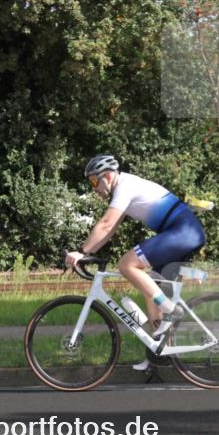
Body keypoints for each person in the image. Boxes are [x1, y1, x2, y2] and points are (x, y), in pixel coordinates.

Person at [65, 154, 206, 369]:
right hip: (183, 232)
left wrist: (82, 252)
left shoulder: (125, 186)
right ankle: (158, 351)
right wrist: (88, 253)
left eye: (94, 181)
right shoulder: (124, 189)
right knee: (151, 287)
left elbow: (105, 224)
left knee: (127, 265)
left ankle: (170, 307)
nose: (94, 187)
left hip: (182, 232)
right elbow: (109, 230)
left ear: (108, 176)